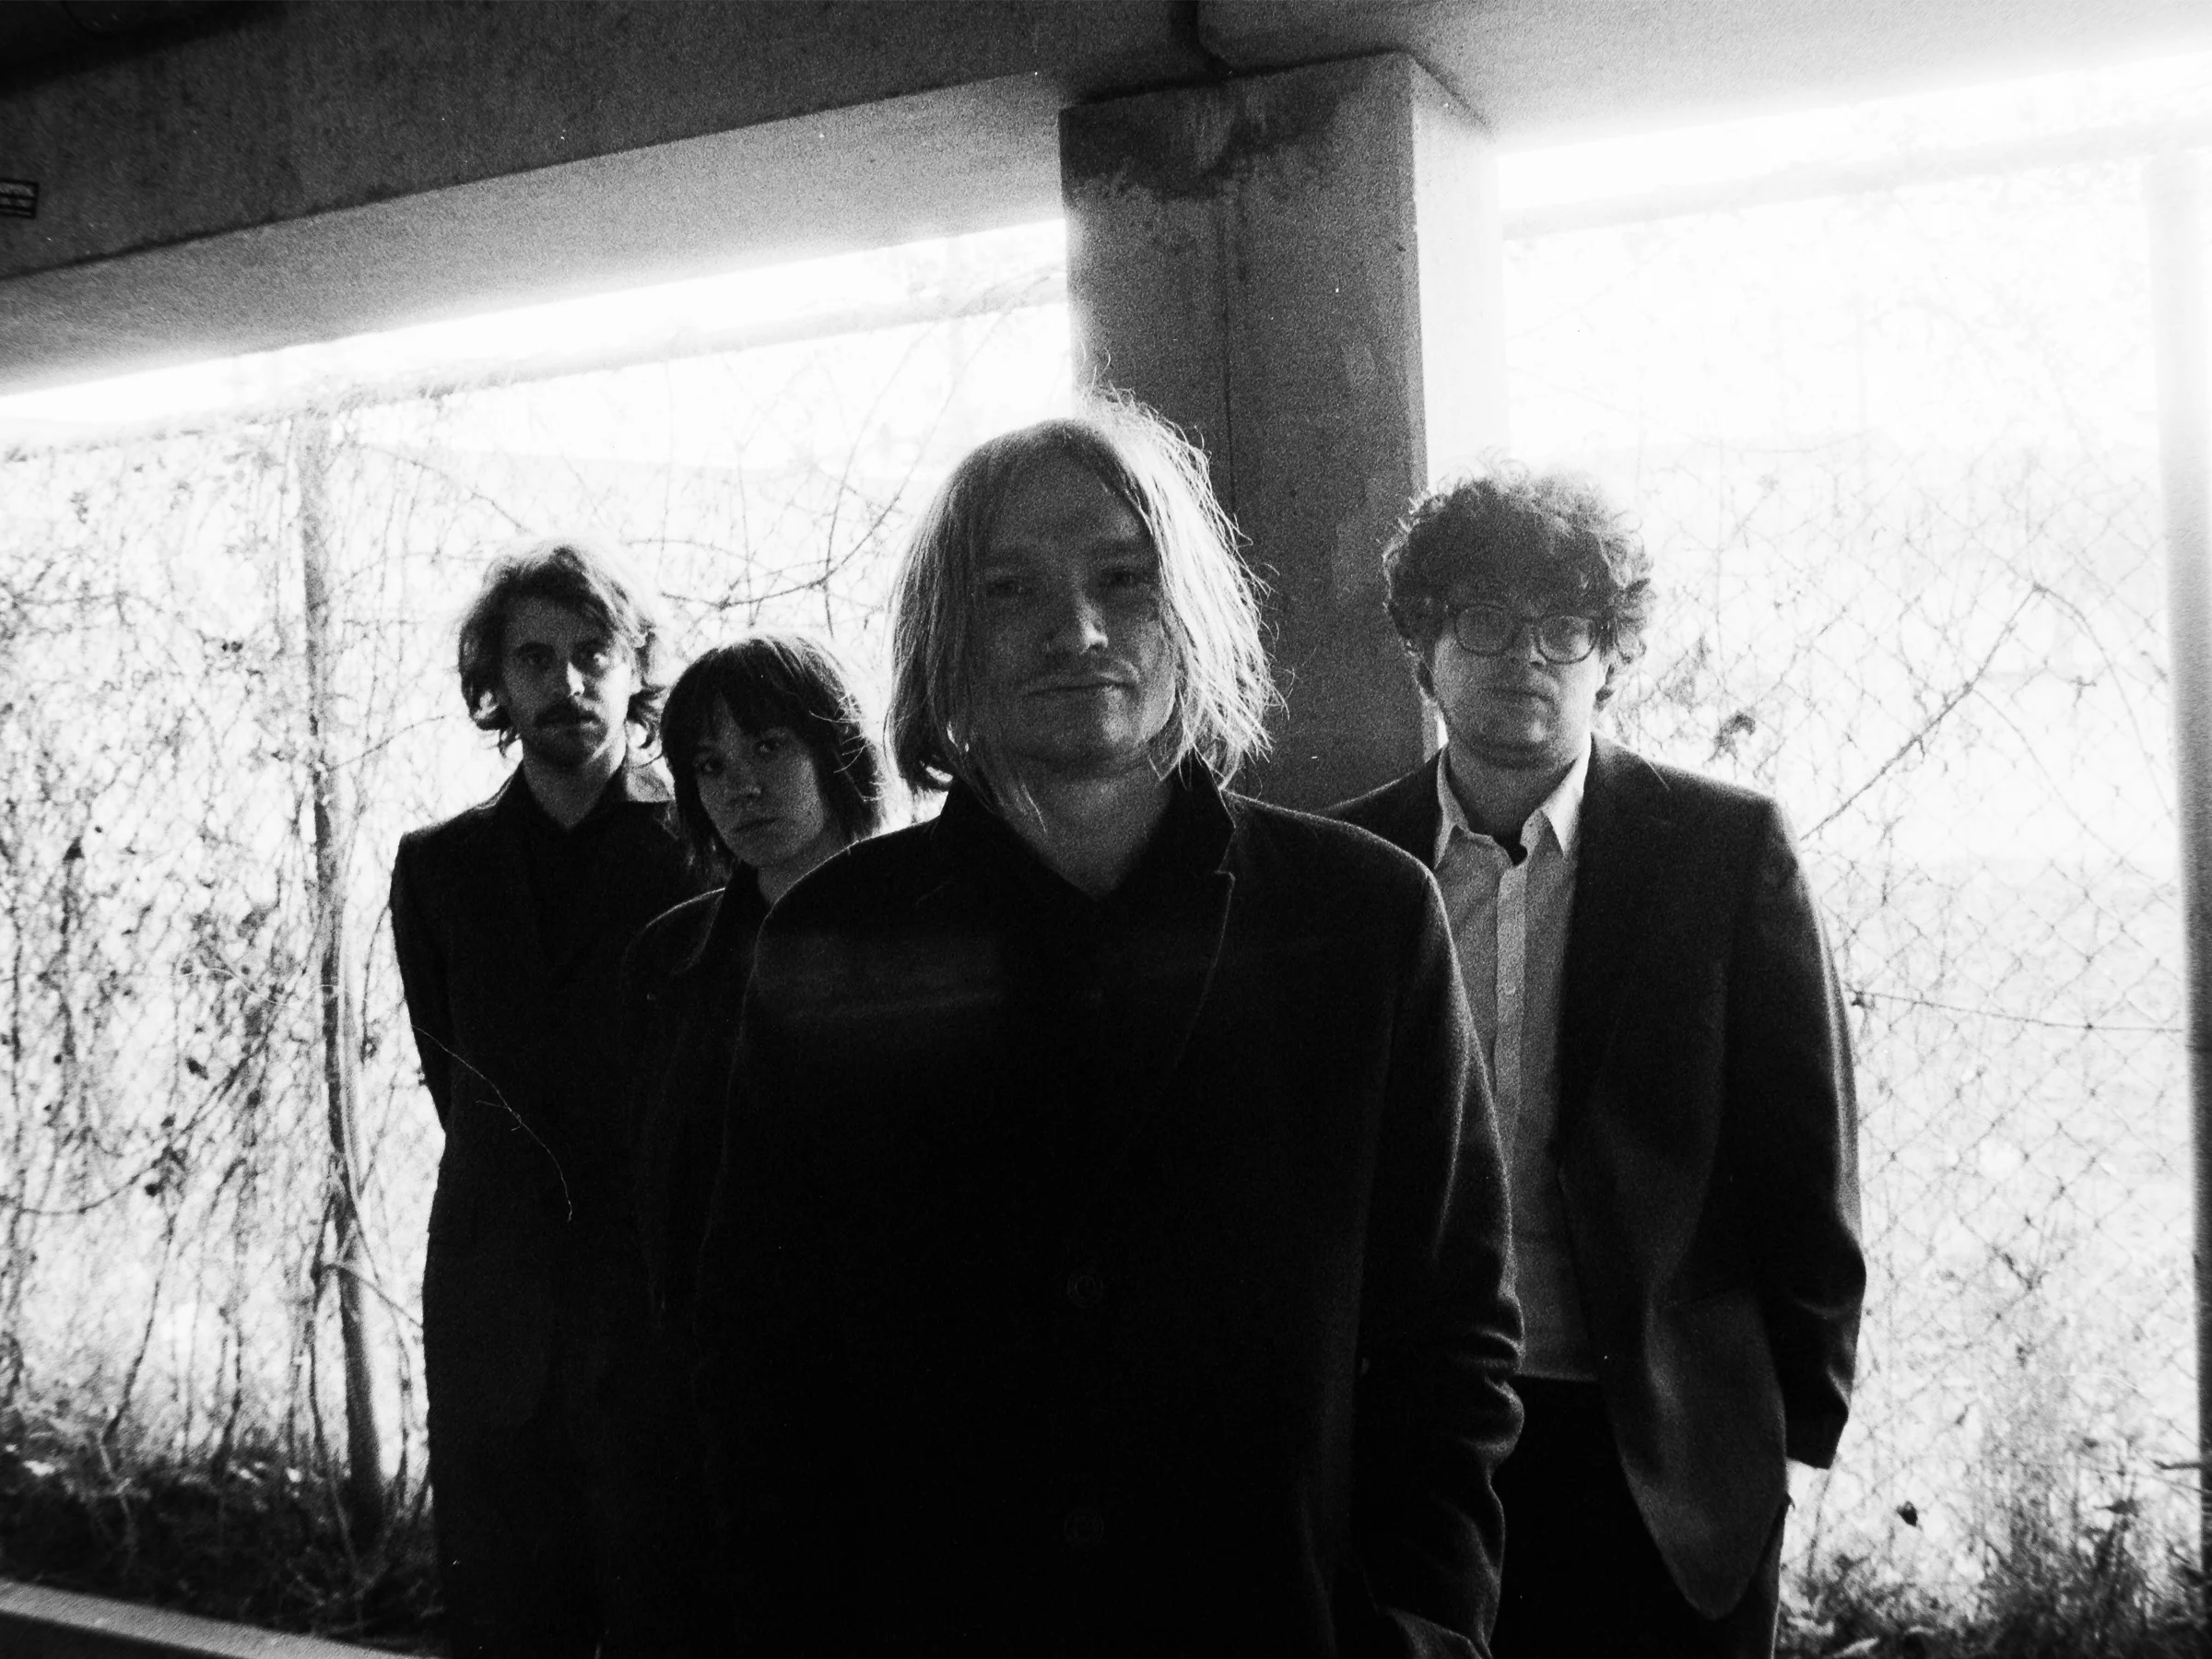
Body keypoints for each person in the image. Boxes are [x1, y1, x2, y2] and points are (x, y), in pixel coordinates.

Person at [693, 402, 1524, 1657]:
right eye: (1010, 589)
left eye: (1123, 578)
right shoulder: (833, 938)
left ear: (1189, 608)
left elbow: (1451, 1335)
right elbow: (762, 1358)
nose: (1076, 629)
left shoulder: (1362, 920)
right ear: (948, 635)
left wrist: (1420, 1629)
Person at [1330, 468, 1865, 1658]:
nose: (1527, 655)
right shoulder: (1350, 870)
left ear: (1611, 656)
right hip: (1425, 1435)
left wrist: (1788, 1440)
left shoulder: (1724, 853)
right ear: (1422, 650)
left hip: (1663, 1445)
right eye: (1483, 619)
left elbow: (1806, 1161)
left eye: (1566, 625)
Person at [389, 539, 702, 1658]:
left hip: (661, 1329)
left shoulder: (705, 848)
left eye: (593, 653)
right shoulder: (439, 868)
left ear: (635, 667)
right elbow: (460, 1085)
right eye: (535, 658)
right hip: (497, 1328)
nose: (567, 683)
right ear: (496, 682)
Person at [606, 633, 889, 1653]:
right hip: (709, 1419)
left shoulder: (933, 929)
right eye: (710, 764)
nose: (741, 787)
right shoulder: (669, 959)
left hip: (889, 1423)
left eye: (769, 747)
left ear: (835, 749)